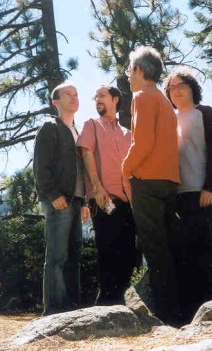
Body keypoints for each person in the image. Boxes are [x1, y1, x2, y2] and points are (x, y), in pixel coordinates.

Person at [121, 46, 181, 325]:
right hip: (169, 180)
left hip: (147, 181)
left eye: (129, 68)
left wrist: (126, 168)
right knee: (169, 246)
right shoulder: (163, 100)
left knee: (155, 249)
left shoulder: (142, 96)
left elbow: (142, 142)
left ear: (140, 70)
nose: (127, 74)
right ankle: (181, 310)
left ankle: (166, 317)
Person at [163, 67, 212, 321]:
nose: (176, 91)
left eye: (182, 86)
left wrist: (210, 187)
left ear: (192, 88)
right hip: (175, 194)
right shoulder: (171, 118)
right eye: (172, 87)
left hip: (199, 191)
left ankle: (211, 302)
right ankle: (189, 309)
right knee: (183, 250)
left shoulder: (205, 113)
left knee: (201, 246)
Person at [33, 82, 90, 316]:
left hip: (77, 201)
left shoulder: (79, 132)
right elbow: (40, 167)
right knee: (57, 255)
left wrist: (85, 201)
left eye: (76, 94)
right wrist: (53, 195)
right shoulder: (50, 127)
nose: (74, 98)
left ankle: (72, 307)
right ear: (55, 102)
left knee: (74, 254)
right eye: (68, 94)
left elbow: (83, 170)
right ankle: (54, 310)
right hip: (59, 200)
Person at [77, 85, 136, 306]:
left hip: (128, 201)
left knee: (128, 251)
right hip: (104, 198)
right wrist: (97, 188)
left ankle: (120, 303)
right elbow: (86, 153)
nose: (97, 99)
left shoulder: (128, 134)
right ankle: (105, 305)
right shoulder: (91, 125)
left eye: (102, 95)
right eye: (96, 96)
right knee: (108, 250)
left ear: (115, 100)